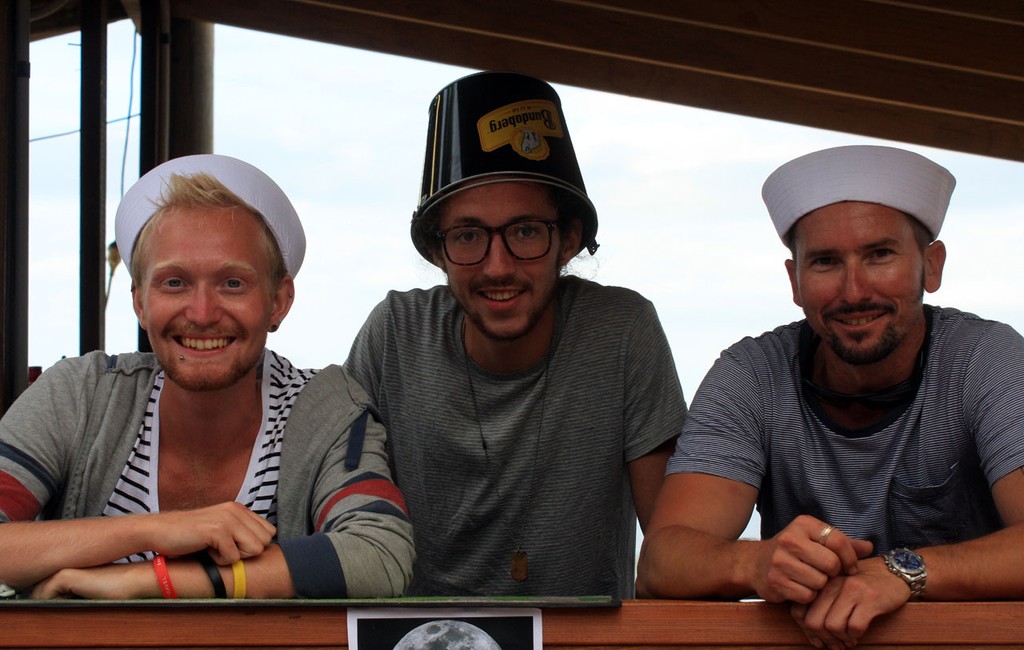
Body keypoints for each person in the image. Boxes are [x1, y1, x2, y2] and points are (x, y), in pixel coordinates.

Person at [637, 145, 1024, 647]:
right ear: (794, 281)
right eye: (824, 262)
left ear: (932, 265)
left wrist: (901, 572)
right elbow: (661, 563)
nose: (854, 290)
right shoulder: (751, 373)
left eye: (879, 254)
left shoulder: (986, 359)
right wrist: (756, 563)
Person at [0, 154, 414, 600]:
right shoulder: (80, 392)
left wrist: (146, 581)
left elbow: (379, 554)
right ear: (139, 302)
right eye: (174, 283)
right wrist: (157, 530)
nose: (201, 314)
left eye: (232, 283)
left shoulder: (326, 408)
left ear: (278, 301)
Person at [344, 71, 687, 598]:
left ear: (568, 239)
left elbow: (672, 546)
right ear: (438, 250)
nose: (497, 266)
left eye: (526, 230)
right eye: (468, 235)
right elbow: (343, 517)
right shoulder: (394, 335)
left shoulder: (622, 331)